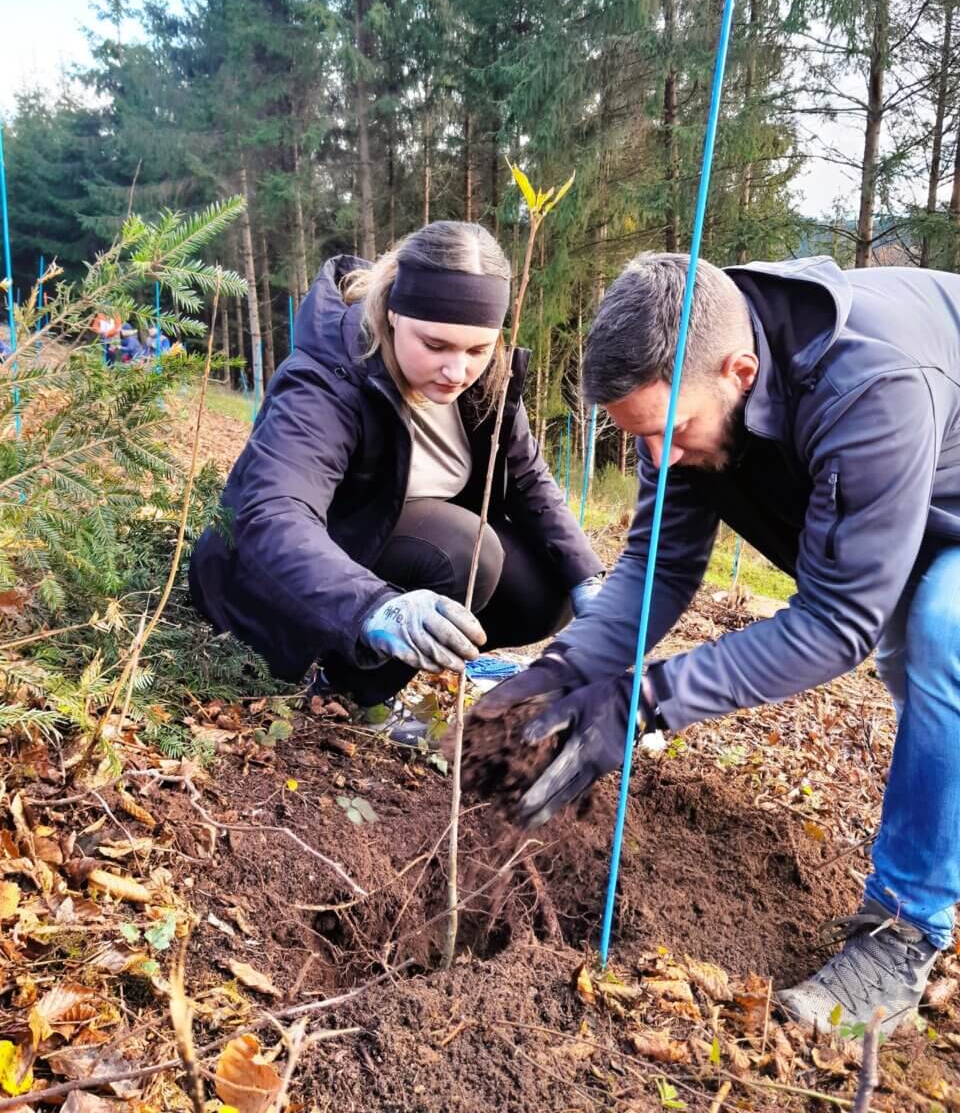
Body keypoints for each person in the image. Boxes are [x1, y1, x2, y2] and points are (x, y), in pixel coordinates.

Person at [476, 252, 960, 1032]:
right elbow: (659, 569)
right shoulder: (689, 368)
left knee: (945, 632)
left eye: (671, 434)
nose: (660, 459)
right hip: (910, 493)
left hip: (941, 483)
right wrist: (561, 670)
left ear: (740, 371)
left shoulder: (872, 386)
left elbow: (838, 623)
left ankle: (903, 931)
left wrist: (643, 704)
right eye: (641, 440)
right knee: (931, 669)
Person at [189, 220, 604, 744]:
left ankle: (386, 658)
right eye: (435, 344)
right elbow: (271, 514)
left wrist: (588, 577)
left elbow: (527, 478)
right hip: (276, 579)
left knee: (549, 588)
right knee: (461, 548)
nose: (458, 371)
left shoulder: (483, 378)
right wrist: (373, 607)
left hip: (390, 553)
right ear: (392, 316)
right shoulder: (328, 375)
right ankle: (348, 690)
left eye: (478, 350)